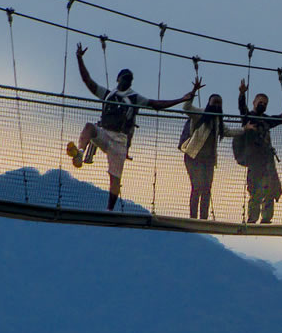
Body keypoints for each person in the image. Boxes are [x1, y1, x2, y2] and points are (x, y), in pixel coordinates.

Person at [67, 43, 199, 211]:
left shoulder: (135, 98)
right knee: (89, 127)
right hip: (105, 133)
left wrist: (182, 99)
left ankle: (109, 210)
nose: (126, 80)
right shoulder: (108, 94)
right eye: (124, 77)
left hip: (120, 141)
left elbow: (157, 104)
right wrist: (79, 59)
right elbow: (88, 81)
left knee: (114, 178)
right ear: (118, 79)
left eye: (129, 78)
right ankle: (80, 152)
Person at [236, 78, 282, 224]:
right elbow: (242, 109)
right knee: (255, 192)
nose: (262, 104)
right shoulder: (248, 118)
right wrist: (242, 94)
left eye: (265, 103)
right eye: (260, 102)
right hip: (254, 162)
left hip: (268, 162)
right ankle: (252, 219)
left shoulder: (267, 121)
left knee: (269, 190)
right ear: (254, 103)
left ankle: (266, 219)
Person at [177, 86, 243, 220]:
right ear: (209, 103)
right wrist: (194, 91)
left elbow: (228, 132)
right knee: (197, 187)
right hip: (193, 156)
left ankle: (204, 218)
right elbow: (186, 108)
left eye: (219, 103)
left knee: (206, 189)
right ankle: (193, 217)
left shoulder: (217, 121)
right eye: (215, 102)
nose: (217, 105)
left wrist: (245, 130)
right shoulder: (200, 114)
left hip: (208, 160)